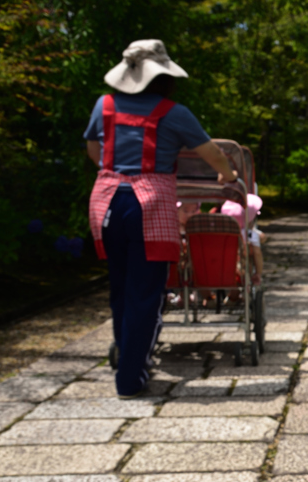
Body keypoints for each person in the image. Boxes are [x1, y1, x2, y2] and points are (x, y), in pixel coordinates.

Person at [84, 39, 238, 399]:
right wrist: (228, 177)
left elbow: (93, 150)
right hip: (149, 205)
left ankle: (129, 356)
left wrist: (115, 175)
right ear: (165, 77)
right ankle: (131, 378)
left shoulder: (103, 106)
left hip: (105, 202)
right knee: (146, 293)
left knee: (120, 288)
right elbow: (213, 153)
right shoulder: (174, 113)